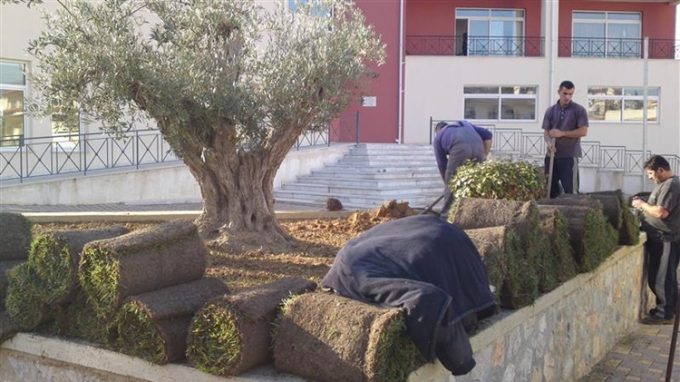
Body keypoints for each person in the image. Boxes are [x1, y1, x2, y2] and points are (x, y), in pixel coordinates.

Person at [321, 214, 496, 376]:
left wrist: (462, 362)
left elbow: (426, 300)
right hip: (439, 228)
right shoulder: (349, 260)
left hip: (438, 242)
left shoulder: (358, 277)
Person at [631, 155, 680, 324]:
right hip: (662, 237)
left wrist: (641, 205)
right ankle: (669, 310)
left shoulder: (671, 185)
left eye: (651, 174)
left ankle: (664, 314)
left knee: (661, 278)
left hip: (665, 237)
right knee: (666, 276)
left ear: (661, 170)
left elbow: (661, 212)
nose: (650, 178)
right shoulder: (666, 185)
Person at [433, 120, 492, 216]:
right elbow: (488, 135)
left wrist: (448, 184)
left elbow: (442, 164)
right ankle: (477, 212)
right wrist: (485, 154)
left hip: (460, 147)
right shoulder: (465, 124)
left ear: (438, 131)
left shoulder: (439, 137)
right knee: (476, 181)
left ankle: (446, 215)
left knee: (451, 179)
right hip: (478, 146)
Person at [542, 80, 589, 198]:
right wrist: (548, 143)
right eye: (565, 93)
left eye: (570, 94)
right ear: (559, 92)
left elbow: (583, 131)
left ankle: (573, 214)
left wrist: (562, 133)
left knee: (571, 191)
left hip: (569, 156)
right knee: (550, 190)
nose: (567, 97)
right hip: (552, 156)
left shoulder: (579, 110)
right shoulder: (550, 111)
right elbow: (546, 132)